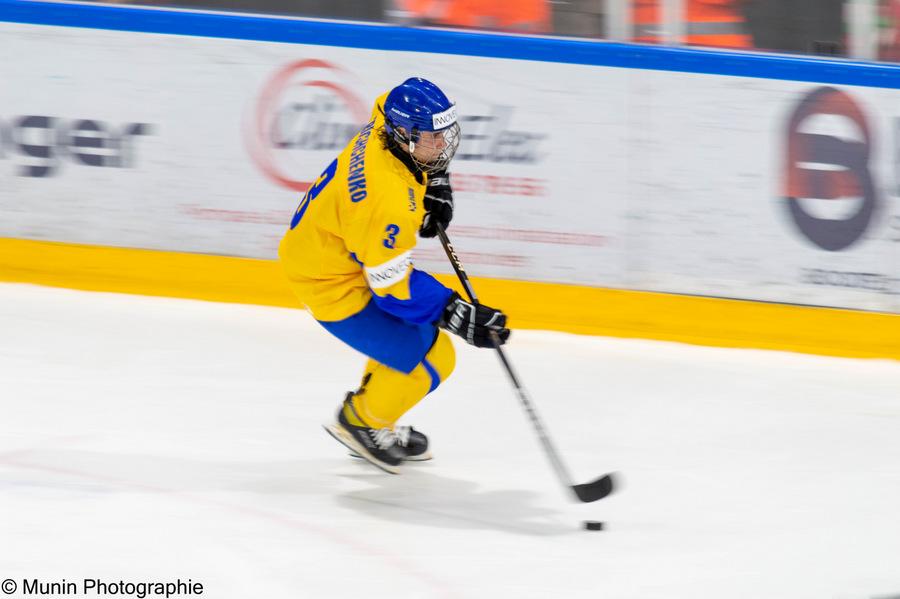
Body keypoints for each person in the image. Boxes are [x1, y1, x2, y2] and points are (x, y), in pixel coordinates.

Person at [278, 77, 510, 474]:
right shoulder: (385, 201)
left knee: (409, 340)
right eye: (432, 138)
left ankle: (374, 413)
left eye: (443, 134)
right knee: (433, 356)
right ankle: (362, 421)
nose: (442, 145)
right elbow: (391, 287)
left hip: (332, 252)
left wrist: (436, 180)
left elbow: (387, 100)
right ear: (402, 134)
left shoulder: (385, 119)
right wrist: (455, 312)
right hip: (331, 282)